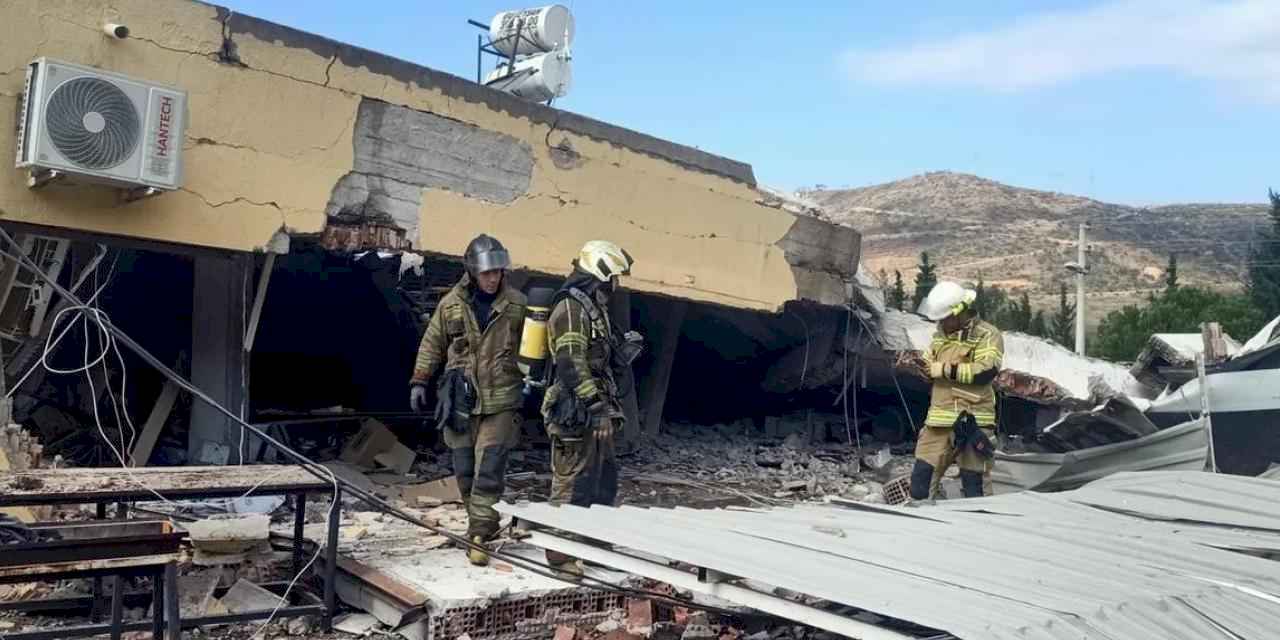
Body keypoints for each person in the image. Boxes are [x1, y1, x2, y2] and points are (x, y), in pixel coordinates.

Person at [410, 234, 527, 565]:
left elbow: (535, 346)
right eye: (488, 273)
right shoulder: (450, 305)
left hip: (502, 400)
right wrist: (419, 380)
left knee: (489, 468)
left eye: (498, 272)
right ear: (473, 272)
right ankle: (482, 522)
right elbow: (432, 343)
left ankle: (478, 535)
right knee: (464, 469)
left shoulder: (517, 305)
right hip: (460, 399)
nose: (494, 278)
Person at [540, 240, 642, 577]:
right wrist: (595, 406)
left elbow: (597, 356)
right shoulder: (570, 309)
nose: (616, 285)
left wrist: (621, 350)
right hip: (576, 408)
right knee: (571, 479)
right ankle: (560, 554)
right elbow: (570, 362)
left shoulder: (591, 307)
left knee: (602, 476)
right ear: (601, 273)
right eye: (614, 277)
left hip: (597, 408)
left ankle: (595, 542)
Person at [910, 281, 1004, 500]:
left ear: (960, 312)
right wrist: (919, 368)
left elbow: (986, 371)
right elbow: (928, 365)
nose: (941, 323)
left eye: (944, 318)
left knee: (974, 487)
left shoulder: (988, 335)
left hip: (973, 422)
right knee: (920, 484)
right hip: (938, 421)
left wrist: (942, 369)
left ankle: (976, 529)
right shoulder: (940, 337)